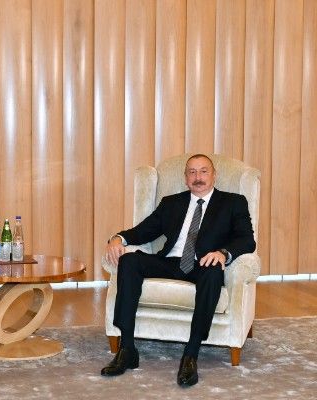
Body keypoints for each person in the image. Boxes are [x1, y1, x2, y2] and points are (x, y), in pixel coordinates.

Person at [101, 154, 256, 387]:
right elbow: (143, 231)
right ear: (185, 178)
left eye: (203, 171)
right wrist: (118, 238)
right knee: (129, 261)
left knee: (214, 270)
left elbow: (247, 240)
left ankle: (191, 354)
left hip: (204, 264)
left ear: (214, 175)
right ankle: (127, 349)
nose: (197, 177)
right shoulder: (171, 203)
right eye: (192, 172)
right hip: (170, 262)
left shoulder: (233, 202)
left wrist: (223, 253)